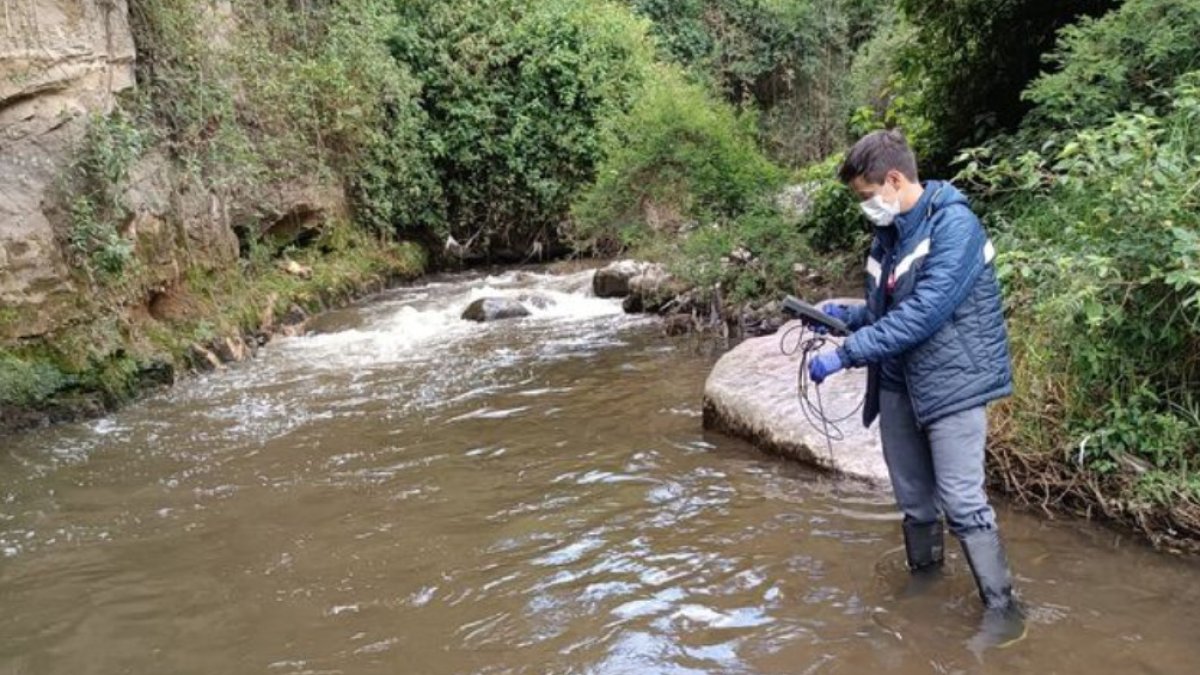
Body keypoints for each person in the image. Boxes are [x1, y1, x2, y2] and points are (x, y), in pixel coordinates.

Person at [804, 129, 1024, 648]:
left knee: (962, 502)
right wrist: (844, 318)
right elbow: (887, 312)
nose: (865, 206)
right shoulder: (888, 234)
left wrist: (847, 354)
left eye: (866, 195)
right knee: (915, 502)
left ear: (895, 180)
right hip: (898, 384)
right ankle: (926, 584)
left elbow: (925, 313)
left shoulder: (955, 226)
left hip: (952, 386)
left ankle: (1005, 609)